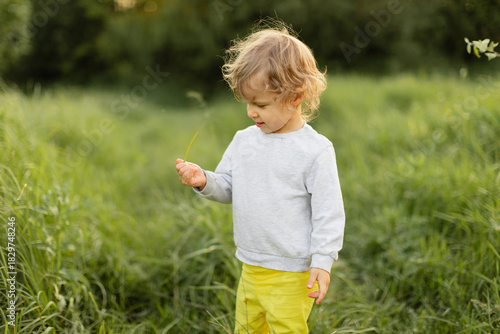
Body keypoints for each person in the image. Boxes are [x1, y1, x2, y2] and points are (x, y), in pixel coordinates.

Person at [175, 22, 345, 334]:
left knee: (286, 328)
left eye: (261, 104)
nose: (252, 112)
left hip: (292, 270)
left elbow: (328, 212)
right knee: (248, 328)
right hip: (250, 263)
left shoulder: (315, 151)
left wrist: (323, 260)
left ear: (296, 97)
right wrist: (203, 180)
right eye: (248, 102)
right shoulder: (244, 140)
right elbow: (228, 187)